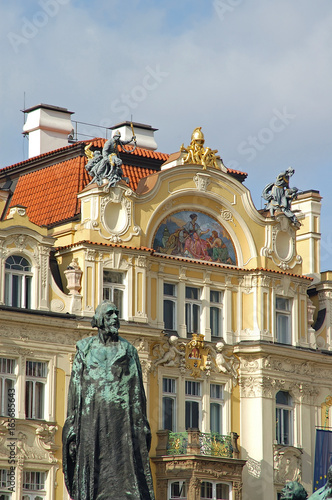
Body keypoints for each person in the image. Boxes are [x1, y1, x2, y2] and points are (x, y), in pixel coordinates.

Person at [62, 301, 155, 500]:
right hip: (91, 417)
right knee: (92, 471)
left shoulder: (128, 350)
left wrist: (141, 425)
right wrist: (72, 426)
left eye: (117, 314)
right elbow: (75, 389)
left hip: (121, 420)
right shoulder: (85, 349)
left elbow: (137, 391)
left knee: (124, 467)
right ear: (99, 319)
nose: (115, 318)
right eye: (110, 314)